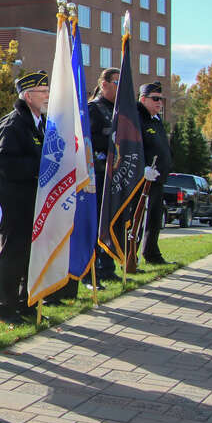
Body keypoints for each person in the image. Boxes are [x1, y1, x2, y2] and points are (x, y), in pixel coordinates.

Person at [0, 70, 50, 322]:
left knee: (30, 254)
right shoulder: (14, 124)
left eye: (48, 91)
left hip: (34, 201)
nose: (48, 96)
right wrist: (42, 167)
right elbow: (5, 164)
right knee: (13, 253)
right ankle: (4, 307)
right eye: (43, 92)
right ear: (28, 96)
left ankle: (26, 303)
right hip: (16, 202)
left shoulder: (41, 123)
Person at [88, 68, 120, 284]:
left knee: (110, 222)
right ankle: (92, 271)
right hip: (97, 175)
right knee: (95, 223)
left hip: (114, 176)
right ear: (104, 83)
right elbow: (87, 141)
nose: (120, 87)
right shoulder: (94, 108)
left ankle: (108, 267)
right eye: (117, 82)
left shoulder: (120, 109)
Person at [137, 81, 173, 265]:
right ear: (143, 99)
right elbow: (134, 147)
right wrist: (142, 167)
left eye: (161, 99)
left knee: (154, 220)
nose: (160, 103)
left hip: (158, 179)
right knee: (137, 220)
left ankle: (152, 254)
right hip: (142, 179)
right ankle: (129, 257)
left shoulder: (156, 120)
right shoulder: (138, 118)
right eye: (155, 99)